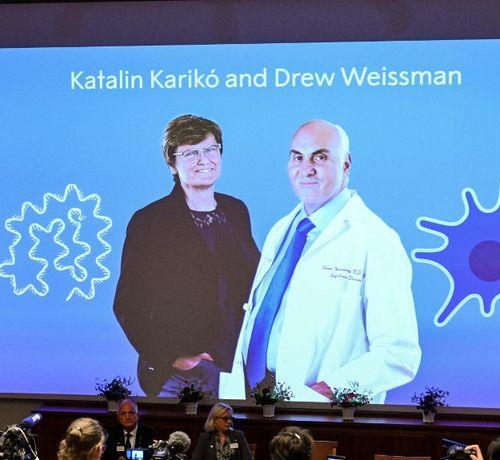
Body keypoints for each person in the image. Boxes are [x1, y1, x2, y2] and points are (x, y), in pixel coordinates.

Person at [220, 119, 420, 403]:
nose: (306, 168)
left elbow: (398, 354)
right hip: (253, 401)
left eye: (320, 157)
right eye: (297, 157)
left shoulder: (376, 239)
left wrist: (325, 392)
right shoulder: (283, 230)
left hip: (319, 410)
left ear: (346, 164)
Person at [114, 114, 260, 397]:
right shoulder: (150, 221)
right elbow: (127, 303)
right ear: (172, 163)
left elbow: (251, 281)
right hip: (181, 376)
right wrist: (172, 357)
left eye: (210, 149)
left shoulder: (236, 211)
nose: (204, 160)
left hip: (233, 368)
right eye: (191, 153)